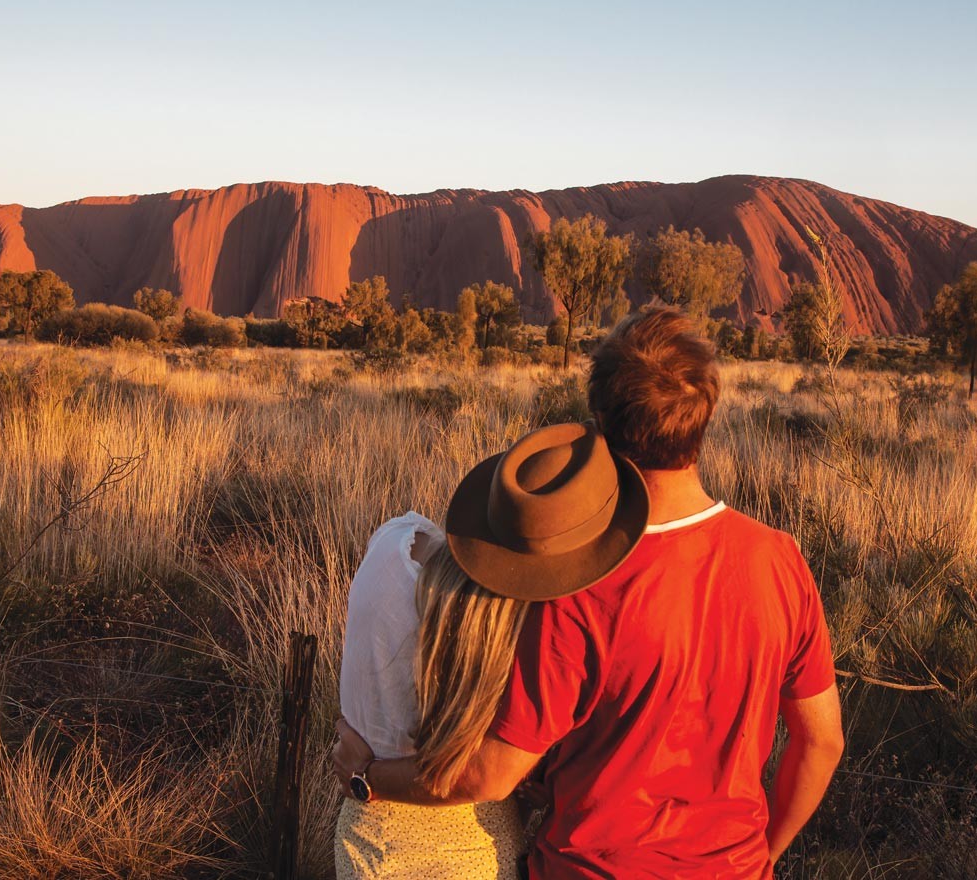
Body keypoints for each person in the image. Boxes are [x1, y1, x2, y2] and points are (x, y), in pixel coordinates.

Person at [335, 307, 843, 879]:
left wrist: (369, 778)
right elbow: (821, 742)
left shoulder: (578, 589)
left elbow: (493, 775)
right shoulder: (781, 560)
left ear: (599, 422)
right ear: (705, 417)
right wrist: (763, 856)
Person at [335, 421, 650, 879]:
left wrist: (364, 770)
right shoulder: (526, 640)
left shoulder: (392, 541)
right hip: (479, 848)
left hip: (368, 839)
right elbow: (504, 774)